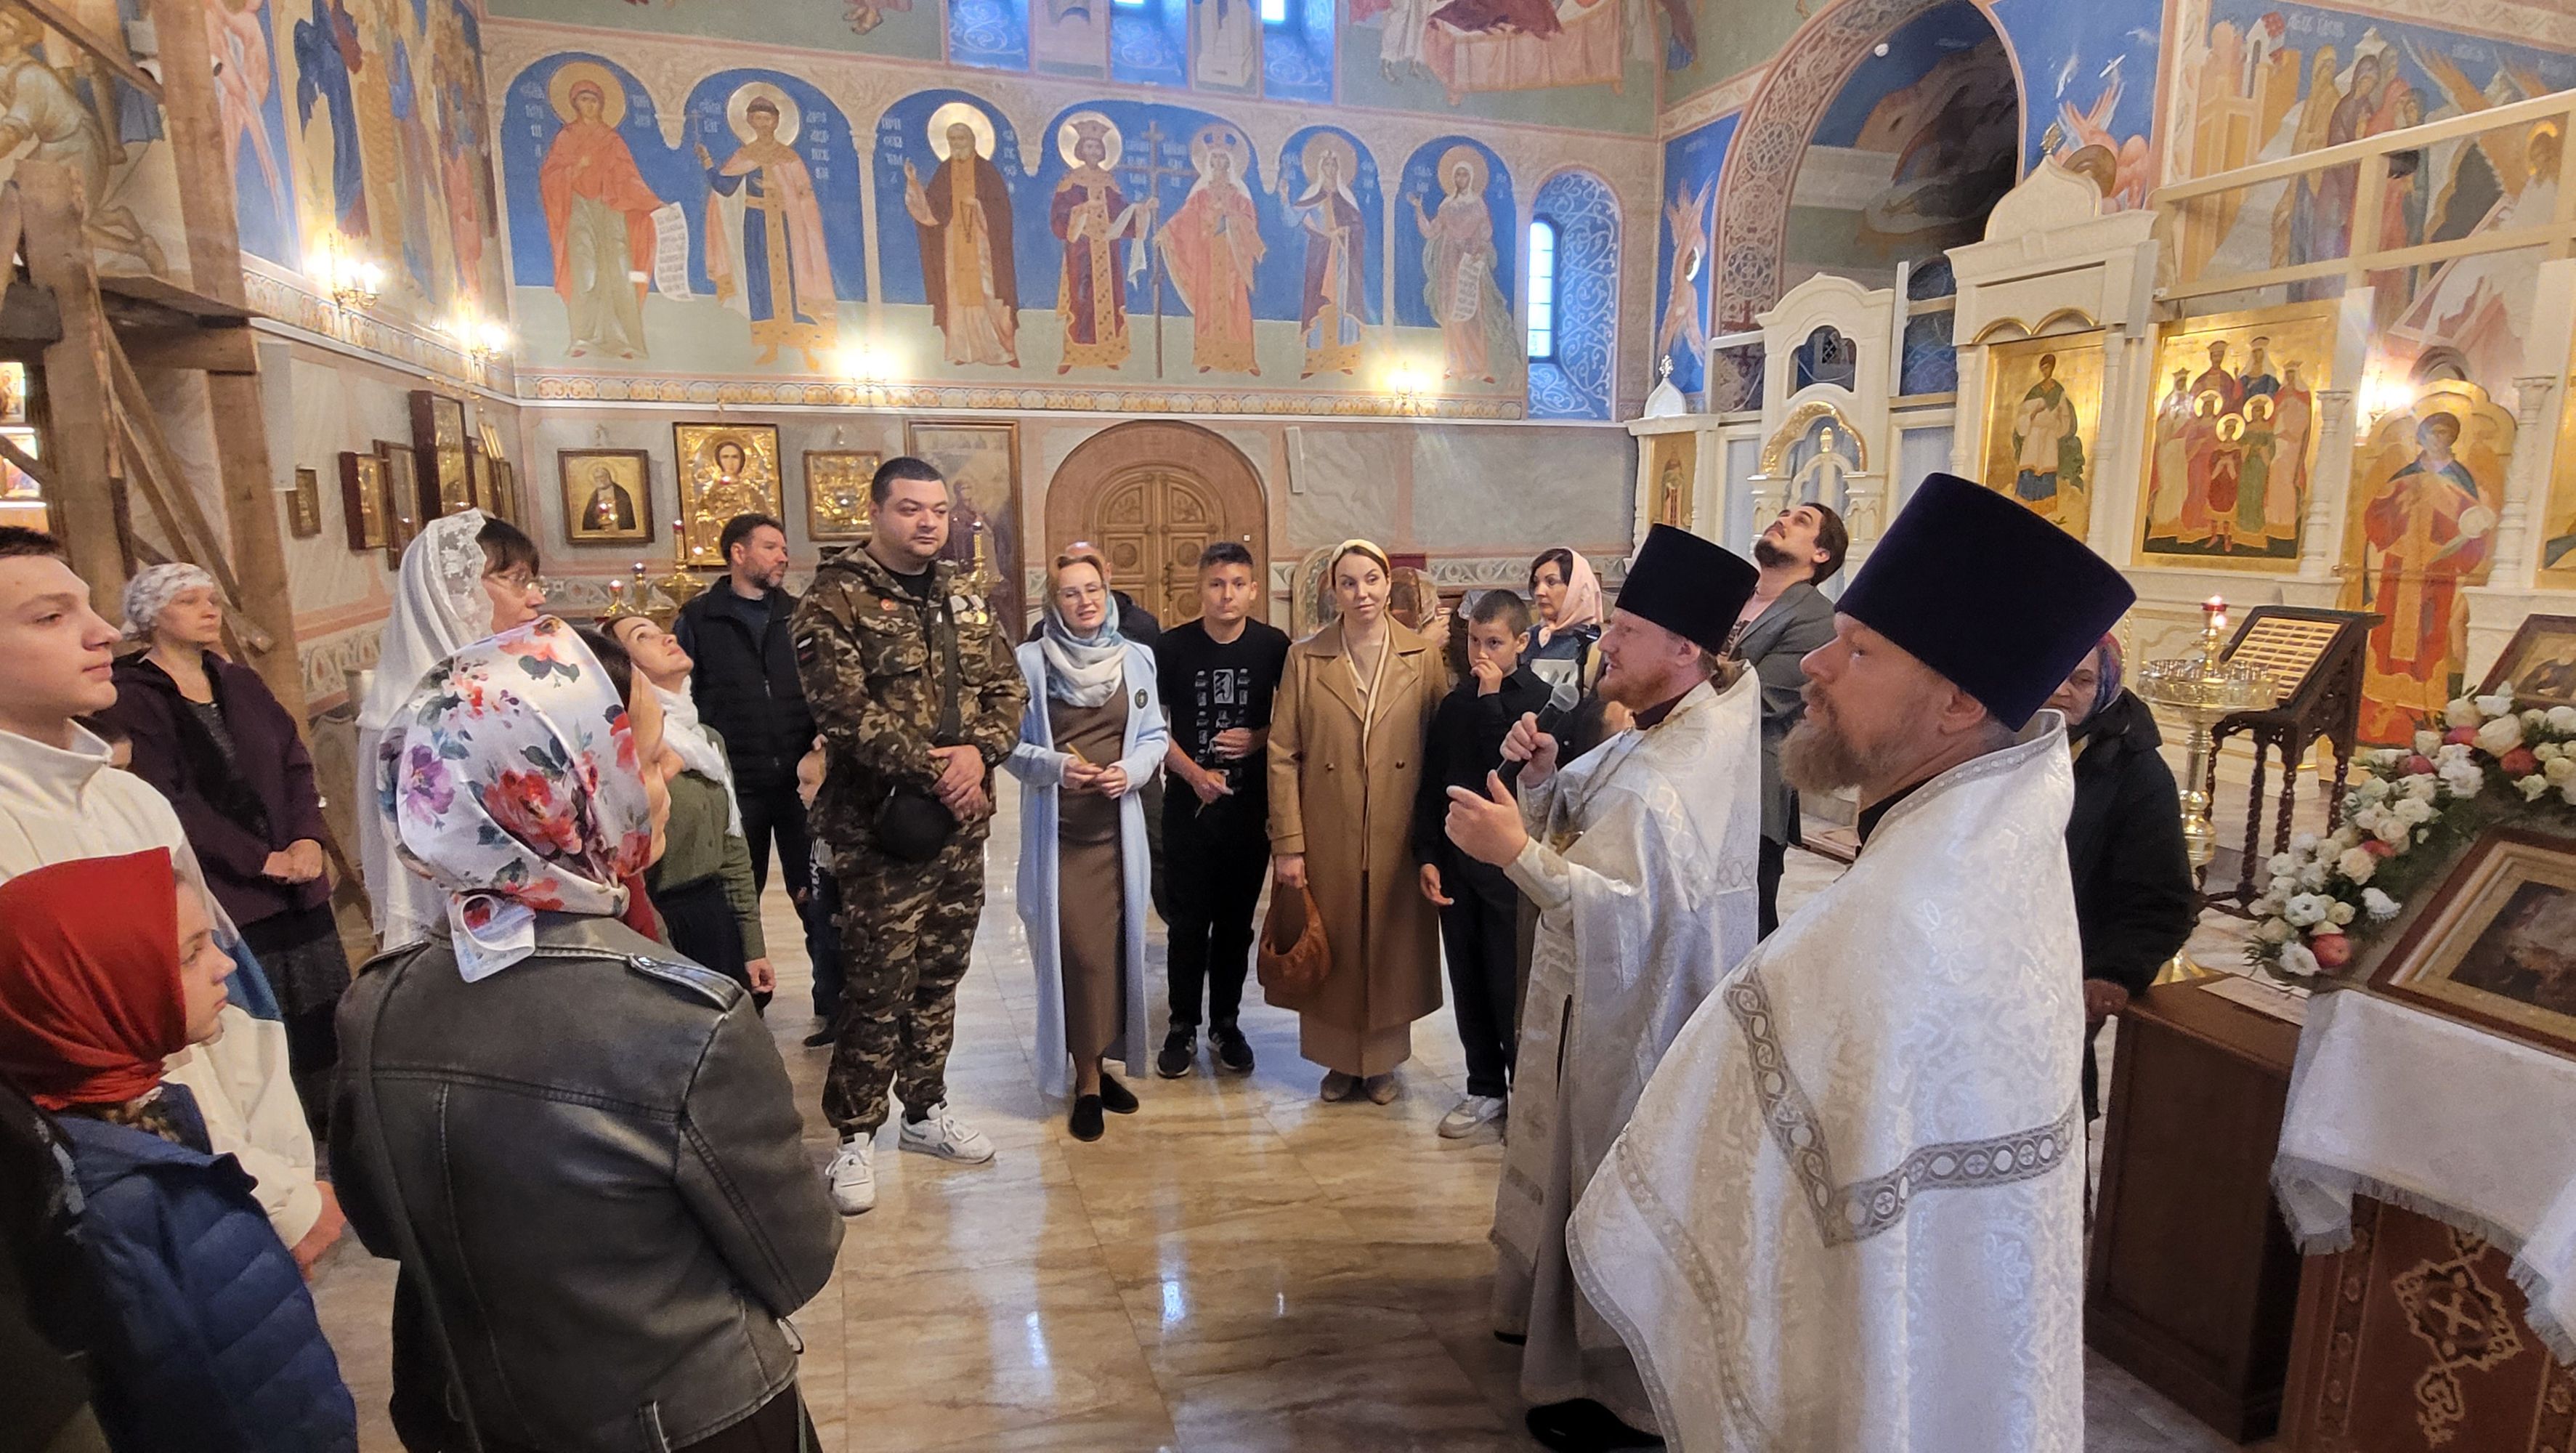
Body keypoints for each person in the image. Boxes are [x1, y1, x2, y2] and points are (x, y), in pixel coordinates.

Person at [1569, 474, 2135, 1452]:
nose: (1815, 665)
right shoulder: (2003, 849)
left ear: (1959, 701)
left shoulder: (1893, 924)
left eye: (1860, 649)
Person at [338, 618, 841, 1452]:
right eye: (645, 753)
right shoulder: (685, 1020)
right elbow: (798, 1258)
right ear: (562, 788)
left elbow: (385, 1225)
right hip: (684, 1420)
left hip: (483, 1411)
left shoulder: (378, 1004)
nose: (670, 767)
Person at [1442, 525, 1764, 1451]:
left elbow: (1626, 906)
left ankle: (1616, 1385)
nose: (1604, 643)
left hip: (1645, 1015)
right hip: (1605, 998)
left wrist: (1515, 851)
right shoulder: (1676, 723)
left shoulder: (1683, 768)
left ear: (1685, 648)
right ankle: (1549, 1324)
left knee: (1618, 1178)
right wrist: (1545, 779)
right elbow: (1596, 807)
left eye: (1626, 631)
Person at [0, 527, 337, 1264]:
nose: (101, 631)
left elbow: (234, 1012)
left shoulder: (129, 802)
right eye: (51, 617)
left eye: (87, 606)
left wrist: (279, 1184)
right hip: (113, 1219)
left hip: (227, 1185)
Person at [0, 851, 357, 1452]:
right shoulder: (109, 1202)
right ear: (95, 988)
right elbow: (182, 1410)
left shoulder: (148, 1117)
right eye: (191, 954)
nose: (225, 967)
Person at [795, 457, 1028, 1215]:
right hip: (879, 829)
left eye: (937, 510)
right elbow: (842, 711)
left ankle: (925, 1111)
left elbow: (1008, 687)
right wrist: (940, 767)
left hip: (959, 824)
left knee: (939, 974)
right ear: (875, 512)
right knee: (877, 981)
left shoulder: (965, 593)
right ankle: (856, 1132)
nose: (928, 522)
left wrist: (980, 753)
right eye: (909, 508)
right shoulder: (836, 597)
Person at [108, 564, 351, 1137]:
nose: (209, 610)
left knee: (326, 1014)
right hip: (231, 892)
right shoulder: (132, 698)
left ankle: (339, 1126)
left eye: (212, 599)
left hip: (297, 883)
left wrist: (307, 837)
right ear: (151, 617)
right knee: (261, 1023)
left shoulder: (239, 682)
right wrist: (258, 860)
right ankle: (284, 1139)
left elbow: (293, 760)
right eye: (189, 601)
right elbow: (170, 799)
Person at [1268, 539, 1443, 1104]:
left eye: (1371, 579)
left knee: (1390, 945)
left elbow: (1440, 748)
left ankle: (1383, 1063)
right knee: (1335, 943)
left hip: (1399, 826)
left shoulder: (1422, 656)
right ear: (1334, 591)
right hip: (1329, 826)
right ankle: (1338, 1062)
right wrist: (1289, 844)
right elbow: (1282, 753)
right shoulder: (1305, 657)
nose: (1361, 592)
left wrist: (1435, 841)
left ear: (1388, 584)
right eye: (1348, 582)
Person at [1005, 550, 1167, 1141]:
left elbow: (1154, 735)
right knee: (1079, 956)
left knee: (1118, 954)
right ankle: (1087, 1083)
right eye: (1071, 593)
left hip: (1117, 834)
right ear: (1053, 602)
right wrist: (1056, 767)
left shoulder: (1137, 658)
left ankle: (1099, 1066)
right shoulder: (1029, 662)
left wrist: (1132, 771)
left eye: (1093, 589)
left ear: (1108, 593)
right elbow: (1006, 746)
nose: (1085, 601)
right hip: (1063, 836)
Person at [357, 511, 545, 951]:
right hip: (473, 932)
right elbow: (424, 869)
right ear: (455, 594)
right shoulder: (411, 717)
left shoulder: (498, 683)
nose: (536, 598)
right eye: (517, 580)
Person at [1411, 589, 1550, 1139]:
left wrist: (1493, 700)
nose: (1481, 654)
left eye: (1494, 643)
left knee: (1508, 980)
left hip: (1509, 867)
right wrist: (1426, 854)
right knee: (1466, 977)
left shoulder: (1540, 700)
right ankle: (1484, 1087)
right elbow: (1433, 782)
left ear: (1521, 642)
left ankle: (1527, 1094)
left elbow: (1508, 775)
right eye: (1474, 641)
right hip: (1456, 861)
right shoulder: (1454, 703)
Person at [2041, 635, 2195, 1120]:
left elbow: (2160, 898)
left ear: (2105, 687)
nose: (2062, 690)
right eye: (2052, 674)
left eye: (2082, 680)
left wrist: (2113, 972)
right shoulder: (1992, 741)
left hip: (2057, 989)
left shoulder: (2136, 771)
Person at [1154, 542, 1289, 1079]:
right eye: (1216, 584)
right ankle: (1181, 1024)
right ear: (1201, 589)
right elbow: (1151, 729)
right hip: (1187, 805)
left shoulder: (1272, 646)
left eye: (1237, 584)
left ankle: (1226, 1023)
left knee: (1235, 924)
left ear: (1253, 590)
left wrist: (1258, 738)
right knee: (1187, 923)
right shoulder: (1172, 647)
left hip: (1248, 808)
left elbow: (1295, 719)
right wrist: (1194, 774)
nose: (1226, 595)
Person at [609, 611, 775, 1008]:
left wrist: (752, 945)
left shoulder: (707, 741)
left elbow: (732, 849)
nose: (668, 638)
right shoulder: (628, 745)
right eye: (643, 636)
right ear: (623, 666)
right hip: (658, 918)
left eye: (663, 631)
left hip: (713, 916)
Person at [674, 512, 815, 908]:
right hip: (736, 783)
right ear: (738, 553)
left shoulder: (800, 614)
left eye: (784, 549)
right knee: (739, 896)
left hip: (800, 780)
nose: (782, 557)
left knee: (814, 898)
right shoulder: (699, 619)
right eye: (770, 548)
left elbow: (823, 683)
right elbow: (681, 693)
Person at [1720, 503, 1847, 938]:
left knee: (1744, 923)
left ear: (1821, 554)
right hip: (1687, 771)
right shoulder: (1731, 595)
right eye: (1785, 512)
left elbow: (1760, 697)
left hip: (1749, 786)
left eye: (1800, 521)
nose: (1784, 519)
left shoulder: (1817, 617)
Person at [794, 739, 841, 1048]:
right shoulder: (814, 825)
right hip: (820, 915)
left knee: (839, 972)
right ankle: (832, 1018)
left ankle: (842, 1024)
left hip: (835, 919)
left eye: (808, 783)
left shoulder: (836, 829)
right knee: (824, 969)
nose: (799, 790)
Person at [1520, 547, 1603, 712]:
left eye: (1551, 582)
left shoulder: (1599, 644)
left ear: (1576, 588)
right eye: (1536, 583)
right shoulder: (1527, 638)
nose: (1539, 592)